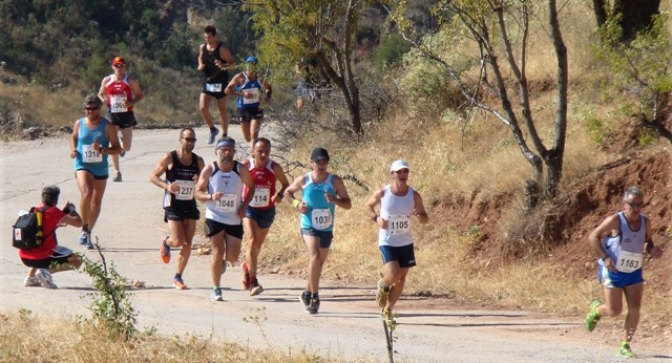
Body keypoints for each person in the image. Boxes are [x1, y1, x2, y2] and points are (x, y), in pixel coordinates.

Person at [585, 186, 663, 358]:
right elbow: (593, 237)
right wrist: (605, 259)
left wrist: (652, 250)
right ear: (624, 205)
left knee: (635, 308)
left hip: (634, 271)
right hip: (613, 271)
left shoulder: (645, 222)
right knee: (614, 311)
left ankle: (625, 345)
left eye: (640, 205)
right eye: (632, 205)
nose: (636, 209)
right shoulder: (615, 221)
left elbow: (647, 241)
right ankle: (596, 310)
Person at [284, 147, 351, 314]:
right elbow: (288, 192)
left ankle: (306, 292)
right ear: (311, 163)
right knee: (314, 257)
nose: (321, 165)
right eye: (318, 162)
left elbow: (348, 204)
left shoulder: (334, 181)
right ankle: (314, 296)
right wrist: (296, 204)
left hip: (326, 227)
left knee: (318, 263)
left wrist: (335, 200)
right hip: (308, 226)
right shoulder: (304, 179)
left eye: (324, 162)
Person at [364, 159, 429, 323]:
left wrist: (419, 215)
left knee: (401, 278)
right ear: (392, 174)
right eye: (399, 172)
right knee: (393, 274)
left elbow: (424, 219)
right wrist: (376, 218)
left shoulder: (413, 195)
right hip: (387, 240)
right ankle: (383, 283)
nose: (403, 175)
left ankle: (388, 309)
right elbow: (368, 206)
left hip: (405, 241)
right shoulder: (383, 193)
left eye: (405, 171)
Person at [195, 137, 255, 301]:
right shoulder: (210, 169)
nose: (227, 153)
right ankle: (216, 288)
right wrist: (211, 196)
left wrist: (244, 206)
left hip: (234, 218)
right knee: (217, 251)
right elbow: (197, 192)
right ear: (217, 151)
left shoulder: (240, 169)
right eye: (223, 150)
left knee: (232, 257)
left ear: (234, 152)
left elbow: (252, 187)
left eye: (230, 150)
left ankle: (222, 262)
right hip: (214, 216)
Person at [149, 128, 205, 290]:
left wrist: (199, 180)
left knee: (188, 242)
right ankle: (166, 241)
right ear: (180, 140)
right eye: (187, 139)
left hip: (189, 204)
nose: (190, 143)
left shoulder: (198, 161)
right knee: (178, 240)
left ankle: (178, 277)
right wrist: (167, 186)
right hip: (173, 204)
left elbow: (207, 181)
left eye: (193, 140)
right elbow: (153, 176)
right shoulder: (170, 157)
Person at [70, 95, 122, 249]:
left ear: (99, 109)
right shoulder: (79, 123)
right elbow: (73, 137)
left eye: (93, 109)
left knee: (96, 201)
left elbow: (117, 148)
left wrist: (103, 150)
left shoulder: (107, 126)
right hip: (82, 164)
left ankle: (87, 232)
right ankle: (85, 228)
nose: (89, 112)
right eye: (87, 109)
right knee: (87, 194)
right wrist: (73, 149)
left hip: (100, 167)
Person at [241, 137, 290, 296]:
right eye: (260, 151)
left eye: (267, 151)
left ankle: (246, 266)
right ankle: (253, 282)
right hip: (249, 209)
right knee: (252, 241)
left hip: (267, 210)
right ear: (253, 151)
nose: (263, 154)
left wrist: (280, 195)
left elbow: (286, 185)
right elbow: (232, 180)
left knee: (256, 247)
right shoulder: (246, 165)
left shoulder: (274, 167)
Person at [19, 186, 84, 289]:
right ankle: (45, 273)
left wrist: (63, 213)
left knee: (38, 245)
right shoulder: (54, 212)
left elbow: (44, 230)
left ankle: (30, 278)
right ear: (56, 199)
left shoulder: (34, 210)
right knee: (77, 261)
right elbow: (79, 223)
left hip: (24, 256)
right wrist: (72, 210)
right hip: (42, 257)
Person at [97, 56, 144, 182]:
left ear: (125, 67)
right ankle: (117, 172)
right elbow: (100, 93)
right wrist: (103, 100)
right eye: (116, 66)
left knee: (127, 147)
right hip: (112, 114)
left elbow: (140, 95)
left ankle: (123, 148)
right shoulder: (107, 80)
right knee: (113, 144)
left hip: (126, 114)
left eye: (121, 65)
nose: (119, 68)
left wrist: (131, 102)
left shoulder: (130, 80)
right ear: (113, 67)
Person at [198, 25, 236, 145]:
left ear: (215, 36)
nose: (207, 40)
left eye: (209, 37)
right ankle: (212, 129)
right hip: (208, 81)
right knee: (203, 108)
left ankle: (224, 135)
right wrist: (200, 65)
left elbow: (233, 64)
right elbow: (200, 58)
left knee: (221, 111)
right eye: (205, 37)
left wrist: (222, 65)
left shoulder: (222, 48)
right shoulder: (203, 47)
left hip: (221, 83)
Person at [225, 56, 272, 144]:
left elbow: (268, 87)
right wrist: (242, 94)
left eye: (254, 65)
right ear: (246, 65)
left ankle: (254, 155)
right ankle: (253, 147)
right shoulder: (240, 77)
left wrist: (268, 97)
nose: (251, 67)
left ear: (257, 66)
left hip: (257, 107)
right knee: (247, 138)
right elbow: (227, 90)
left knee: (253, 134)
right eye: (249, 65)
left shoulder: (260, 78)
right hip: (243, 108)